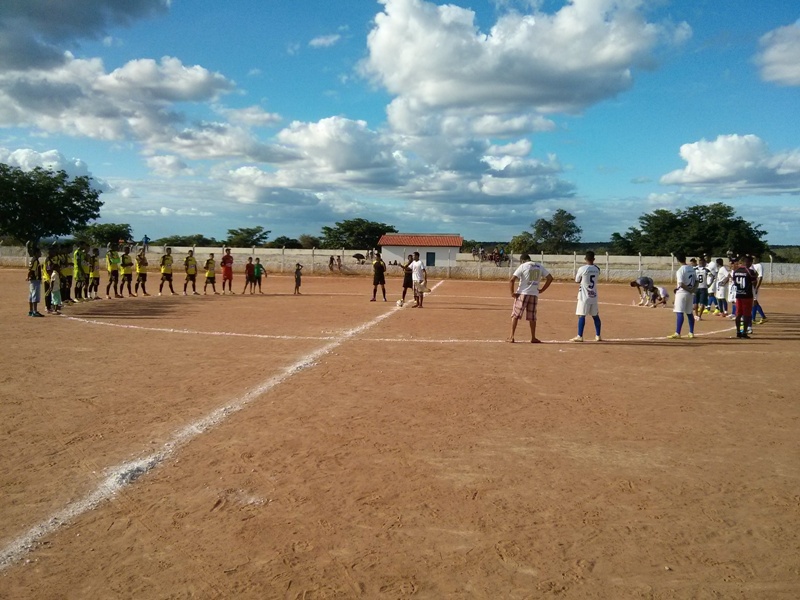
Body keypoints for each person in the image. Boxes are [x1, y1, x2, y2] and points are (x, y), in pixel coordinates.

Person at [508, 253, 553, 343]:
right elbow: (550, 278)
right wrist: (542, 290)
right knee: (532, 317)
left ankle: (512, 336)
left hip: (522, 293)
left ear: (522, 260)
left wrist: (512, 293)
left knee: (516, 315)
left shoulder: (523, 266)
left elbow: (512, 280)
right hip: (534, 293)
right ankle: (533, 337)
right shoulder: (539, 266)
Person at [571, 251, 602, 342]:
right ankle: (598, 335)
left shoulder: (582, 268)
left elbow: (577, 280)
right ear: (594, 259)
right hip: (593, 295)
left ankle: (580, 336)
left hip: (584, 295)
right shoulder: (597, 269)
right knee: (595, 316)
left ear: (585, 259)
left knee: (581, 315)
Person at [667, 252, 697, 339]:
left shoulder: (680, 270)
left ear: (677, 260)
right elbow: (696, 281)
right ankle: (691, 332)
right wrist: (692, 290)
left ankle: (678, 333)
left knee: (679, 312)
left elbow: (681, 283)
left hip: (682, 293)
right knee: (689, 313)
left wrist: (688, 289)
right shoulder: (691, 268)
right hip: (690, 294)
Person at [733, 255, 758, 339]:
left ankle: (738, 332)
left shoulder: (736, 271)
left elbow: (735, 282)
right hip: (747, 295)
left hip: (738, 294)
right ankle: (744, 332)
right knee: (746, 315)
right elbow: (754, 282)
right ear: (749, 262)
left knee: (738, 314)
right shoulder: (750, 271)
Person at [26, 245, 44, 317]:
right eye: (39, 252)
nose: (40, 254)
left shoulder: (32, 260)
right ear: (36, 253)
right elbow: (31, 270)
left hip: (32, 280)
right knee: (35, 295)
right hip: (35, 279)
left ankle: (31, 311)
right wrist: (29, 276)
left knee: (31, 295)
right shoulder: (35, 260)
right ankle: (35, 311)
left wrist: (28, 277)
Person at [751, 255, 767, 324]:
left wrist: (757, 287)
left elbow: (760, 277)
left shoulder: (759, 266)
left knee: (754, 302)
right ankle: (762, 317)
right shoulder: (752, 265)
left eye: (754, 258)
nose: (753, 259)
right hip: (750, 286)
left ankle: (755, 318)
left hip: (754, 286)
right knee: (754, 302)